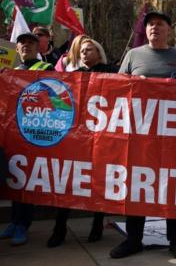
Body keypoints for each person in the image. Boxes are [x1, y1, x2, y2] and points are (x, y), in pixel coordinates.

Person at [109, 11, 176, 259]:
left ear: (169, 30)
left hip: (171, 137)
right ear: (145, 31)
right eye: (151, 25)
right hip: (139, 135)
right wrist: (135, 83)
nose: (154, 28)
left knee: (172, 186)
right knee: (137, 186)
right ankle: (134, 239)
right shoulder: (133, 55)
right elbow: (116, 86)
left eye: (160, 24)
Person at [47, 38, 117, 248]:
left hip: (103, 136)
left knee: (99, 181)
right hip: (76, 137)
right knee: (68, 181)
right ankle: (59, 229)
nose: (85, 53)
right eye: (83, 50)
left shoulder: (112, 72)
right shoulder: (71, 76)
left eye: (90, 50)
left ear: (99, 52)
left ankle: (97, 225)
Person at [0, 33, 54, 246]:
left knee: (28, 180)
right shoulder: (12, 71)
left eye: (30, 43)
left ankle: (23, 224)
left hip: (35, 132)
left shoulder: (46, 69)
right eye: (22, 44)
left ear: (37, 47)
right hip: (12, 132)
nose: (25, 47)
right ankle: (14, 221)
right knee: (15, 178)